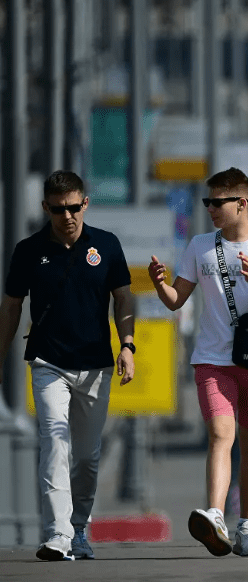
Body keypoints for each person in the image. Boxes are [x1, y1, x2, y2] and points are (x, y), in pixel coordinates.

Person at [147, 168, 248, 558]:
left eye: (217, 202)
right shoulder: (199, 246)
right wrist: (160, 284)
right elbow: (176, 301)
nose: (209, 208)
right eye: (206, 202)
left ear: (242, 203)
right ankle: (215, 514)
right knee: (220, 435)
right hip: (211, 360)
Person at [0, 171, 135, 561]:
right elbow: (11, 306)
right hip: (48, 363)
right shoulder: (28, 250)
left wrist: (127, 346)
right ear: (46, 208)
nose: (68, 216)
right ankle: (57, 534)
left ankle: (78, 528)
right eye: (58, 209)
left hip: (95, 366)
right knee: (55, 443)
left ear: (85, 204)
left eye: (74, 207)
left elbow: (124, 298)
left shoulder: (106, 245)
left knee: (87, 457)